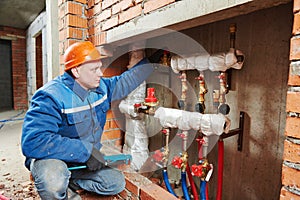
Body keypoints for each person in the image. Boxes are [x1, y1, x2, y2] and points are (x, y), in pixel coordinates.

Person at [21, 41, 154, 199]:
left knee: (115, 183)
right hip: (53, 158)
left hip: (81, 161)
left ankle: (70, 181)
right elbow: (33, 141)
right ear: (76, 71)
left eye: (99, 67)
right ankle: (59, 188)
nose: (100, 73)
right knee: (53, 180)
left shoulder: (100, 87)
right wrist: (85, 151)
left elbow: (125, 81)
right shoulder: (50, 96)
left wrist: (150, 64)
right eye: (94, 69)